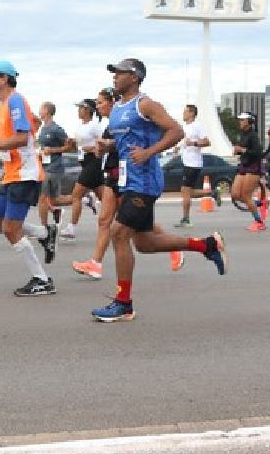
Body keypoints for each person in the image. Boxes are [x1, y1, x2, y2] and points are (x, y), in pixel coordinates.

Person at [91, 58, 225, 322]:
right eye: (113, 73)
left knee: (118, 233)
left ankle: (123, 302)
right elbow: (124, 142)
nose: (114, 77)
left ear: (135, 77)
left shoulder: (146, 104)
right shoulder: (117, 109)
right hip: (128, 181)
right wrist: (108, 147)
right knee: (144, 243)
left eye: (119, 73)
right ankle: (207, 245)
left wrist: (149, 152)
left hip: (145, 181)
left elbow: (176, 132)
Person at [0, 60, 58, 296]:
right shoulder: (4, 104)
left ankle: (41, 279)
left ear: (4, 79)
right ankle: (44, 233)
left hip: (24, 175)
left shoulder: (15, 100)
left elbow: (21, 138)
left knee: (10, 229)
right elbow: (24, 133)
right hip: (10, 174)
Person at [72, 88, 119, 280]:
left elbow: (122, 144)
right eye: (96, 103)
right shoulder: (110, 124)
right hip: (111, 173)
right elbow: (106, 147)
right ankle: (95, 264)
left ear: (112, 103)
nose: (98, 106)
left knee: (142, 230)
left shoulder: (121, 121)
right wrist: (101, 147)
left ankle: (179, 247)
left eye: (100, 103)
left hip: (124, 176)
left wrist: (103, 145)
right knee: (105, 220)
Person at [59, 98, 104, 240]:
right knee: (105, 198)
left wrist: (90, 148)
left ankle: (71, 228)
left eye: (81, 108)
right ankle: (121, 222)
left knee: (76, 195)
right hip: (84, 163)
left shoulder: (95, 126)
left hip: (94, 162)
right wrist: (72, 142)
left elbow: (104, 144)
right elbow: (79, 146)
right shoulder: (80, 126)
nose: (78, 111)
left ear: (88, 110)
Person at [174, 104, 219, 227]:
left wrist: (193, 143)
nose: (183, 113)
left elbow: (207, 141)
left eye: (185, 111)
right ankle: (211, 193)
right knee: (187, 192)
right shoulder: (185, 127)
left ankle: (186, 219)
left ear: (192, 113)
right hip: (187, 162)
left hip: (193, 164)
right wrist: (178, 148)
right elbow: (186, 143)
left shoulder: (197, 126)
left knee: (186, 192)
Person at [35, 101, 71, 228]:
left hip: (54, 167)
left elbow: (70, 146)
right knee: (46, 198)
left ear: (47, 111)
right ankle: (45, 226)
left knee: (48, 199)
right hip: (44, 167)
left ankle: (81, 199)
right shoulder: (42, 128)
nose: (39, 111)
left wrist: (53, 150)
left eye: (41, 108)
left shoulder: (56, 129)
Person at [231, 111, 266, 231]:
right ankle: (258, 203)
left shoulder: (253, 135)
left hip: (253, 167)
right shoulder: (242, 134)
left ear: (249, 122)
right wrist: (237, 150)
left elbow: (258, 153)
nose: (240, 122)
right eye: (239, 120)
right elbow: (242, 149)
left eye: (242, 120)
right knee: (235, 194)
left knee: (246, 196)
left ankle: (259, 222)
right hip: (244, 166)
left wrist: (243, 150)